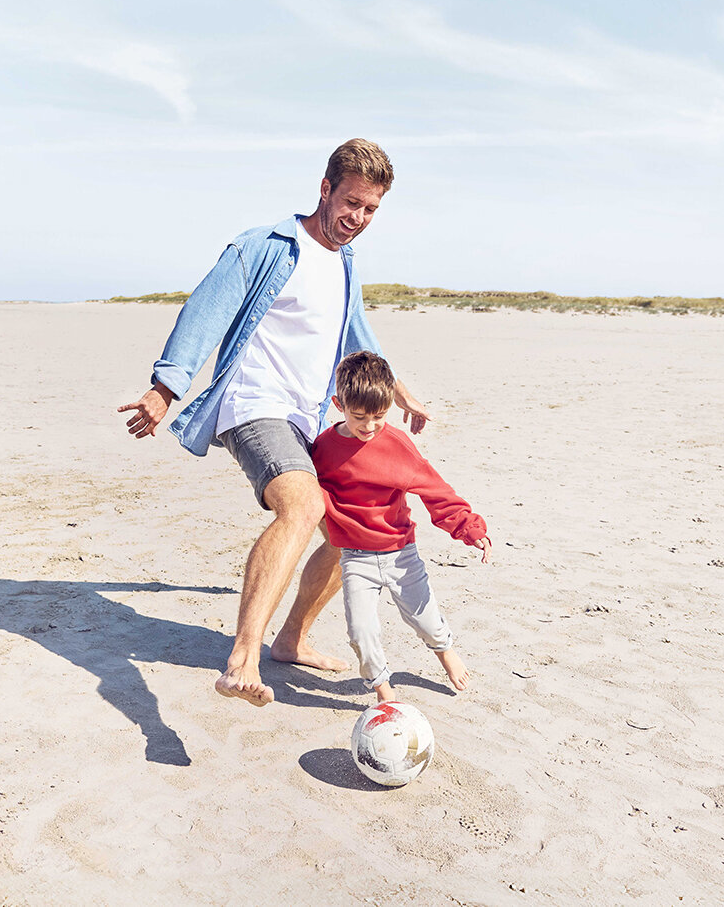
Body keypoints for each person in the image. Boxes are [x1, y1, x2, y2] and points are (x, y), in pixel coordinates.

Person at [116, 138, 433, 707]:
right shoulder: (266, 247)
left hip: (308, 416)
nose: (357, 219)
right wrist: (166, 388)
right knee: (303, 506)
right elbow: (205, 310)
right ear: (325, 188)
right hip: (253, 404)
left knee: (353, 528)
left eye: (370, 210)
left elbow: (356, 332)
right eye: (351, 203)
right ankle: (243, 656)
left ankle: (291, 640)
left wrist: (401, 392)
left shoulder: (346, 263)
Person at [313, 350, 492, 700]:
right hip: (355, 558)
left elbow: (434, 490)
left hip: (400, 554)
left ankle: (445, 651)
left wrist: (470, 530)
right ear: (338, 404)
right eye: (359, 416)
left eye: (379, 416)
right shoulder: (322, 448)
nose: (369, 426)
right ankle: (382, 689)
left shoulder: (396, 445)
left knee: (424, 617)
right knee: (360, 631)